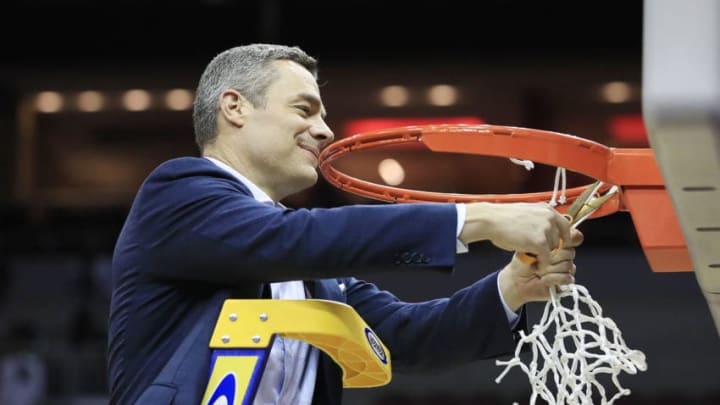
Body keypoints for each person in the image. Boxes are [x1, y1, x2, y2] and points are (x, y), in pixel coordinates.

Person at [107, 43, 582, 405]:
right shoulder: (177, 193)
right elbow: (294, 239)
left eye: (324, 115)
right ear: (235, 107)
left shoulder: (313, 264)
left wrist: (512, 288)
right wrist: (477, 218)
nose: (325, 130)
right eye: (304, 109)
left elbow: (407, 335)